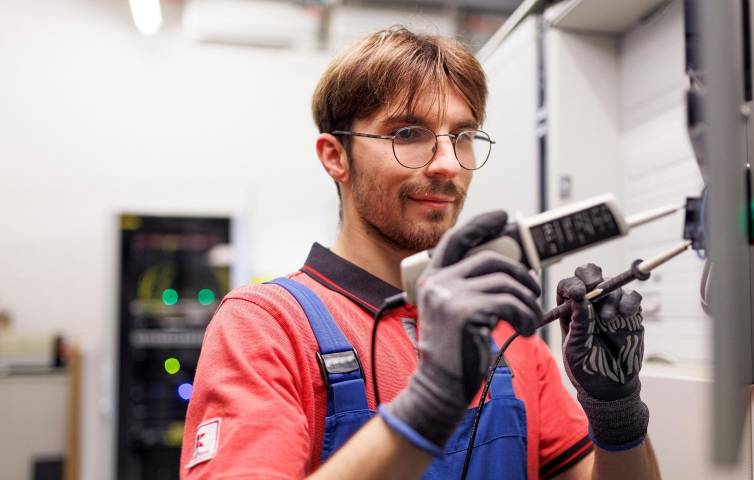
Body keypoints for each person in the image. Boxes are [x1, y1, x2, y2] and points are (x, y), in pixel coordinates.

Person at [180, 26, 661, 480]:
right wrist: (429, 403)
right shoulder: (265, 327)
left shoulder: (504, 328)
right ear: (335, 156)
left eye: (463, 136)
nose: (449, 164)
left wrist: (616, 415)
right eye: (408, 134)